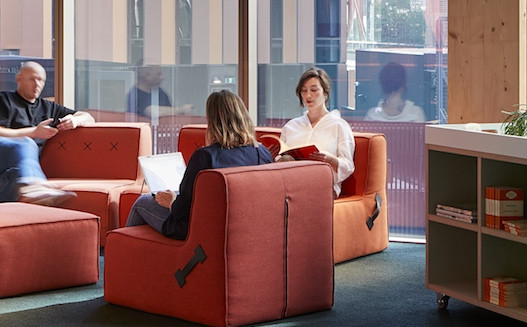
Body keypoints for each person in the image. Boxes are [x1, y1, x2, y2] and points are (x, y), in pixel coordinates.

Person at [123, 89, 271, 240]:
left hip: (197, 228)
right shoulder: (263, 153)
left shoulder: (205, 156)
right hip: (244, 225)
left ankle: (124, 256)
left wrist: (171, 201)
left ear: (212, 122)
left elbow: (182, 210)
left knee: (142, 202)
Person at [0, 60, 95, 206]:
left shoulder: (48, 107)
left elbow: (89, 117)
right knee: (26, 143)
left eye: (41, 80)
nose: (37, 84)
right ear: (19, 79)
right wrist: (35, 132)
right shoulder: (4, 99)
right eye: (32, 79)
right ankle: (37, 185)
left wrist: (75, 121)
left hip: (12, 170)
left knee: (18, 182)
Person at [278, 67, 355, 198]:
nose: (308, 95)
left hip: (323, 186)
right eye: (304, 91)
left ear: (325, 93)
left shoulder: (339, 125)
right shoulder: (291, 126)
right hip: (290, 184)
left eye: (314, 90)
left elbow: (348, 166)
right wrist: (277, 157)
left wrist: (331, 160)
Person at [125, 64, 193, 119]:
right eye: (159, 74)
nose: (163, 77)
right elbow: (152, 112)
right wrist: (182, 109)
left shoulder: (160, 93)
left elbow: (170, 112)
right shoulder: (135, 95)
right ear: (146, 75)